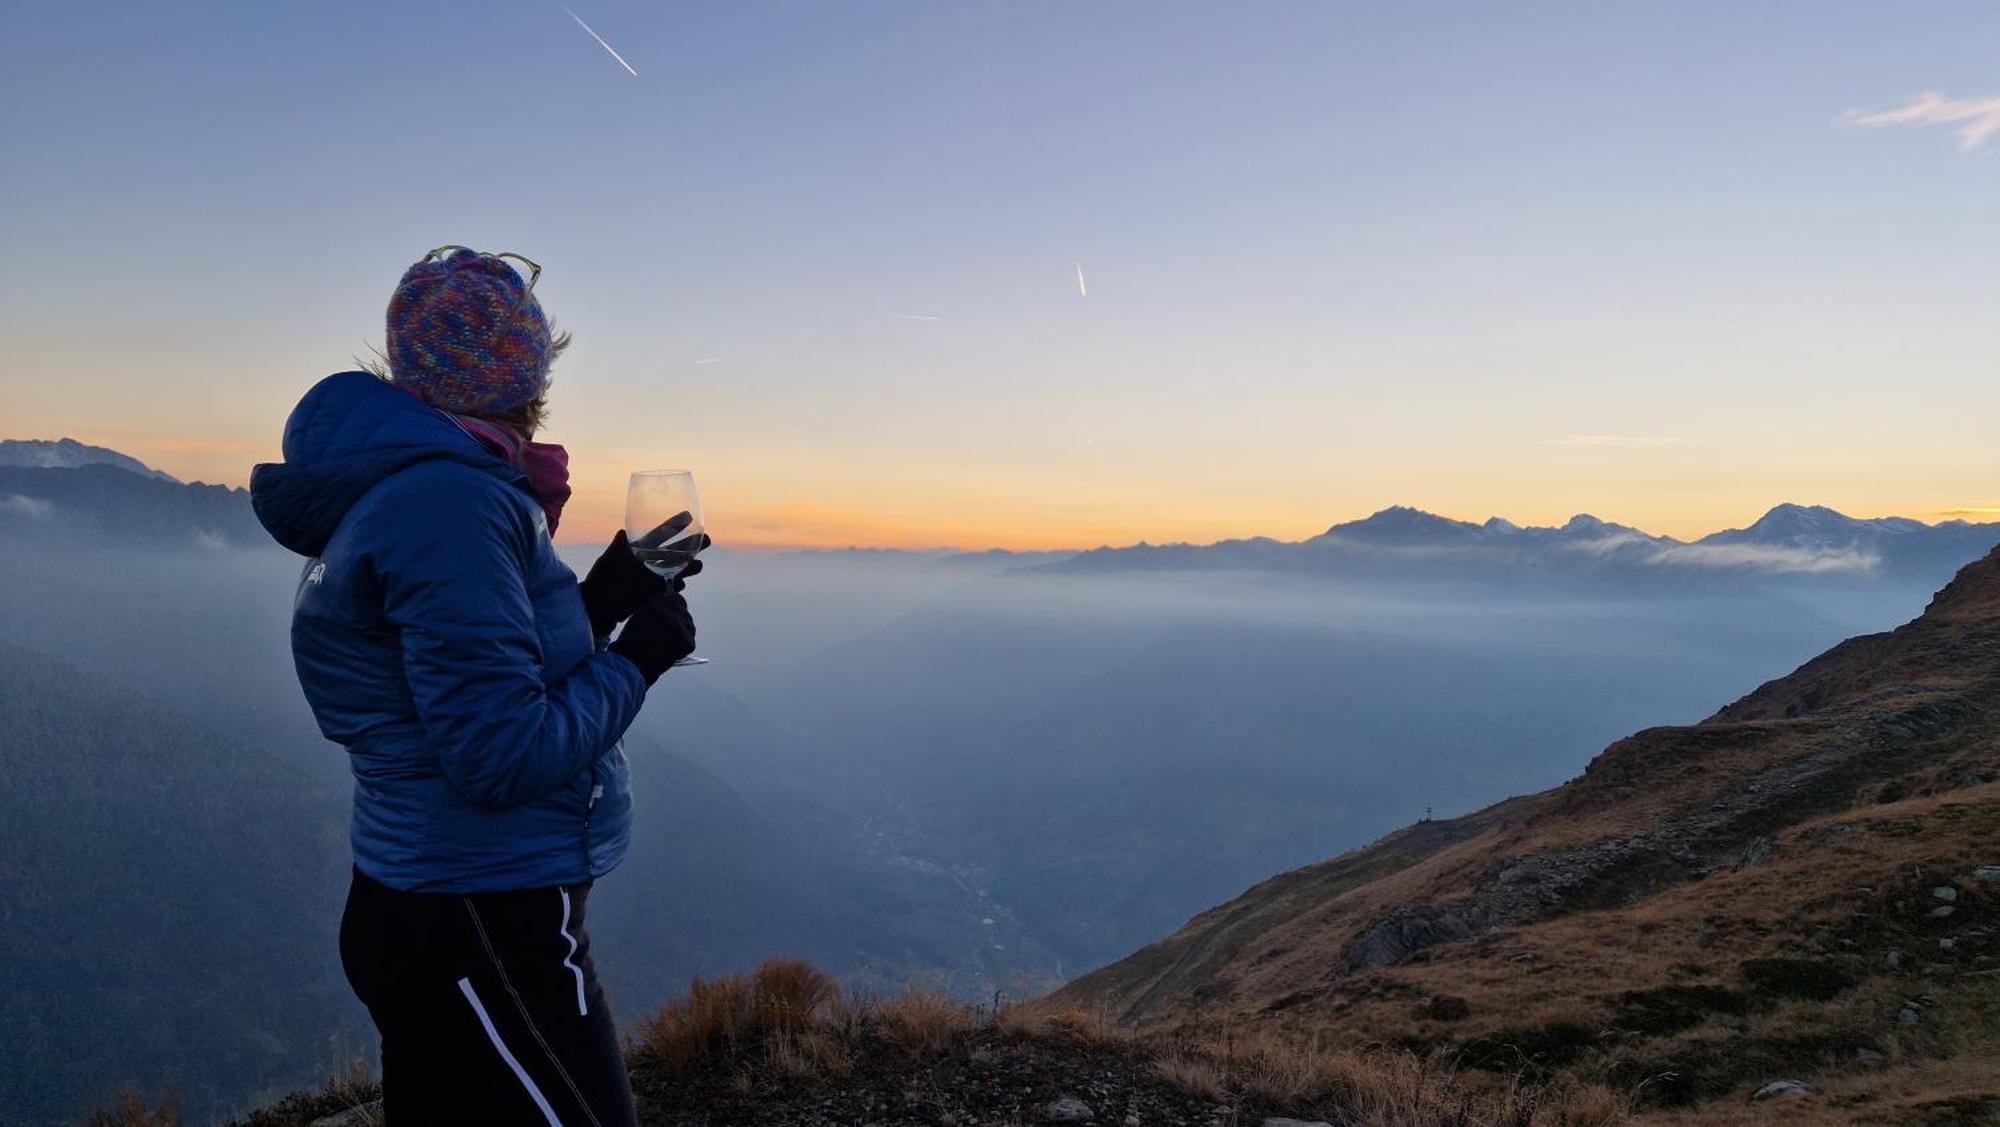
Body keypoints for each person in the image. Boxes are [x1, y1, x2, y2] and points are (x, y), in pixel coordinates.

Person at [250, 246, 699, 1125]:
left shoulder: (419, 488)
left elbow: (469, 662)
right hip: (483, 917)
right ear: (526, 376)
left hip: (433, 903)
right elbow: (497, 753)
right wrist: (636, 659)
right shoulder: (453, 503)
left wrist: (603, 596)